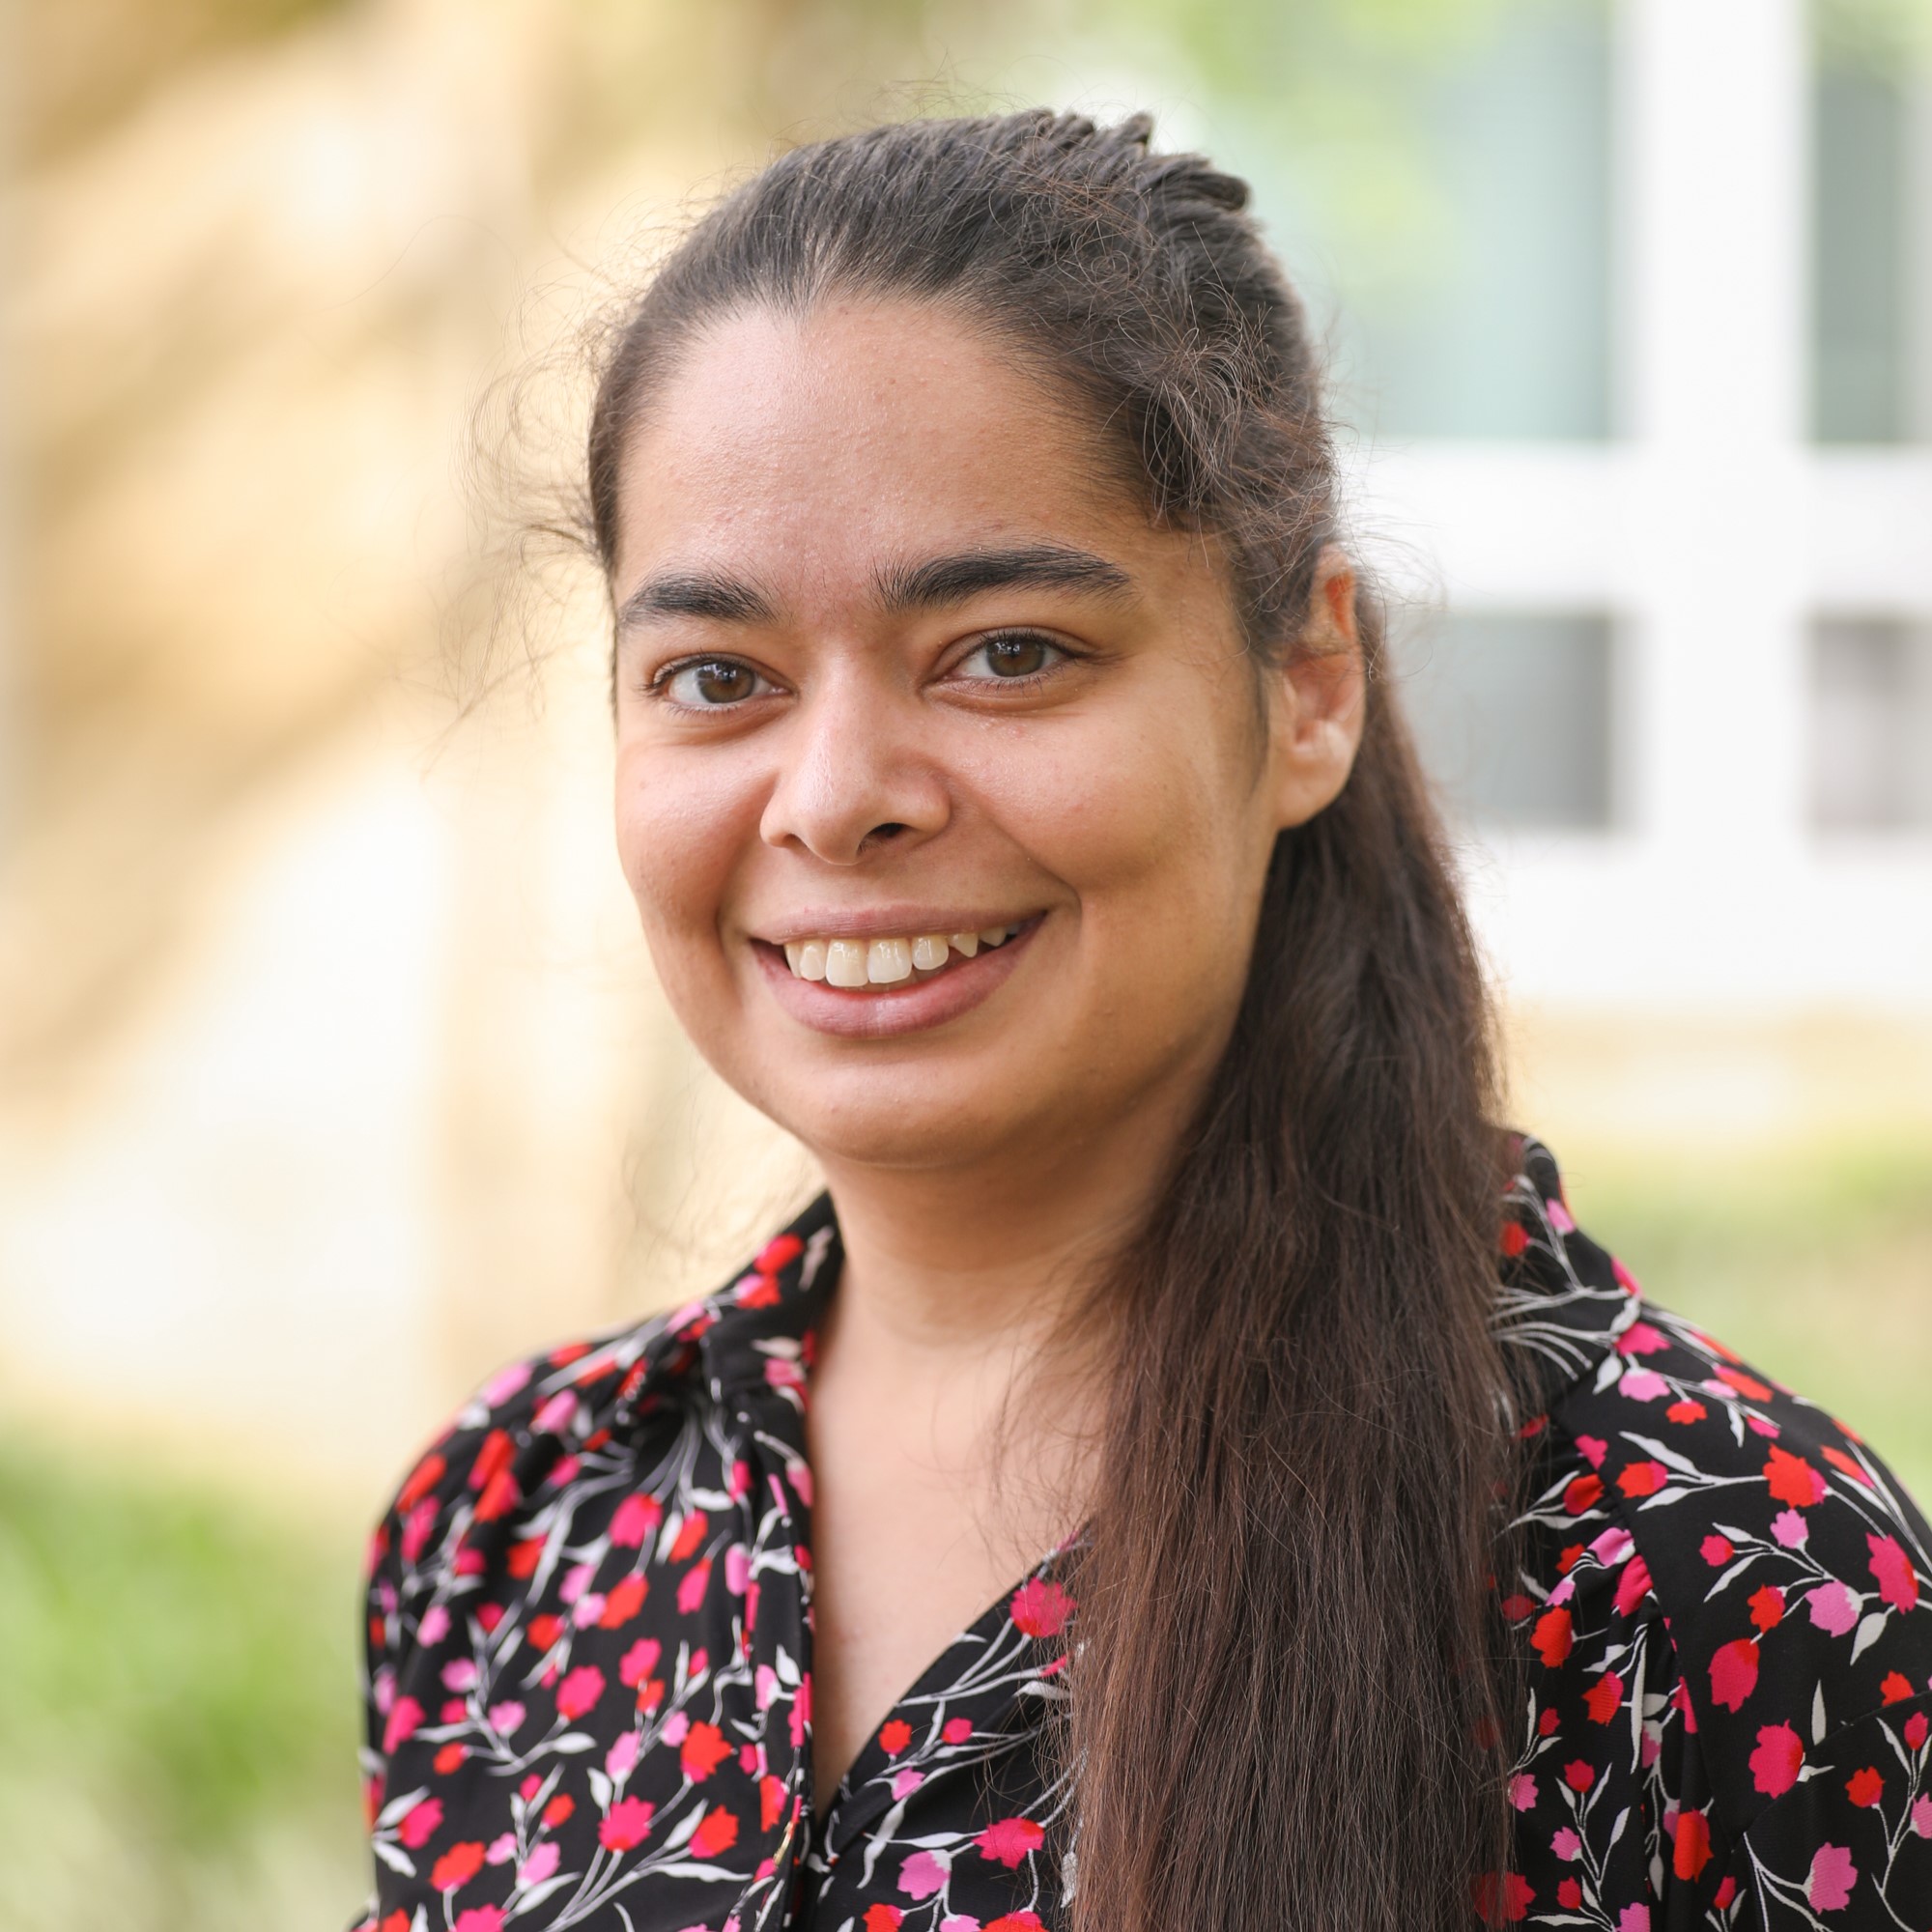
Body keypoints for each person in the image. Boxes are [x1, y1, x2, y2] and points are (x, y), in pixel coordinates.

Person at [351, 112, 1932, 1932]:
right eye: (718, 681)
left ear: (1309, 684)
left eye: (1008, 651)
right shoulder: (515, 1525)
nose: (835, 796)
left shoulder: (1710, 1575)